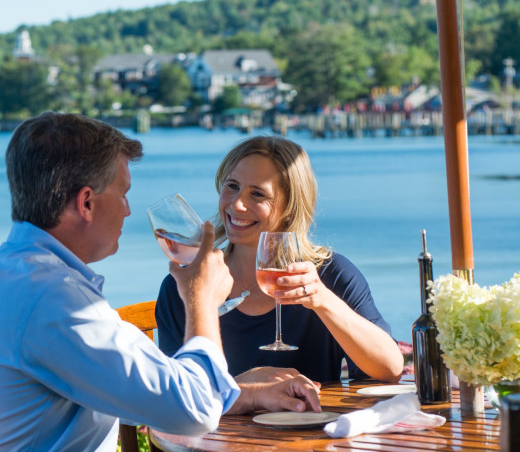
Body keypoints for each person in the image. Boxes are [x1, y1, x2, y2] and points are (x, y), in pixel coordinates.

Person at [0, 114, 321, 452]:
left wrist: (248, 395)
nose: (128, 210)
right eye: (123, 193)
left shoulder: (19, 276)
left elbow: (161, 387)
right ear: (86, 203)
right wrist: (201, 297)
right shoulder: (54, 301)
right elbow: (194, 411)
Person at [156, 135, 404, 387]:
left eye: (257, 194)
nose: (237, 204)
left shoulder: (331, 275)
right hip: (220, 428)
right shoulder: (184, 285)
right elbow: (173, 397)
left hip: (312, 425)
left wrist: (323, 301)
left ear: (290, 207)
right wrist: (242, 387)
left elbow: (391, 369)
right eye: (232, 186)